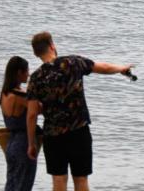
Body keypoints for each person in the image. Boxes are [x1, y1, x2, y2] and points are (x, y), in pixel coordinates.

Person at [26, 32, 134, 191]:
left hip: (53, 136)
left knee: (58, 180)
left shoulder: (36, 78)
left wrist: (31, 143)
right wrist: (121, 68)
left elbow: (31, 115)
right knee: (81, 179)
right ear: (52, 46)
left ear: (36, 53)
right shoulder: (73, 62)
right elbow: (103, 67)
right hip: (79, 131)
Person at [0, 56, 38, 191]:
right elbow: (38, 110)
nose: (28, 74)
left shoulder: (4, 94)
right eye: (26, 71)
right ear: (19, 73)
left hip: (10, 144)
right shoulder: (20, 96)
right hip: (23, 143)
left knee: (11, 184)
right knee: (24, 185)